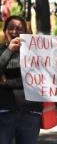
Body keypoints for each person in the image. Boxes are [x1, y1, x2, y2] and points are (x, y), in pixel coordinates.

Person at [0, 15, 42, 144]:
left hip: (31, 113)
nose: (14, 32)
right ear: (5, 31)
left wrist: (7, 82)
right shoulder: (1, 50)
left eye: (19, 29)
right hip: (4, 113)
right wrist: (9, 51)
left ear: (26, 32)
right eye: (11, 28)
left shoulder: (38, 53)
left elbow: (44, 79)